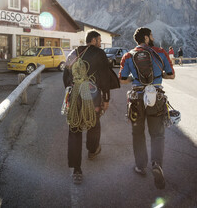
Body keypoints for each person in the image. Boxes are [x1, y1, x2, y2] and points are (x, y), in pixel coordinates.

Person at [119, 27, 175, 190]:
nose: (152, 37)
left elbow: (122, 79)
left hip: (136, 99)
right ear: (146, 37)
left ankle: (140, 166)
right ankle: (157, 164)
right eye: (151, 35)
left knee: (138, 133)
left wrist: (134, 79)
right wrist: (159, 76)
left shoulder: (128, 55)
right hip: (156, 97)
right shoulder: (160, 52)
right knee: (157, 134)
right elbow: (171, 75)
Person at [63, 30, 120, 184]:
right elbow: (105, 77)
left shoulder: (73, 53)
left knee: (74, 129)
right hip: (92, 96)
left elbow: (66, 76)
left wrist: (72, 91)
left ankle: (76, 170)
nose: (100, 43)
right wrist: (106, 98)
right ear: (94, 40)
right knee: (93, 123)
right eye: (100, 40)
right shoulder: (99, 53)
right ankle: (92, 150)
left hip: (74, 96)